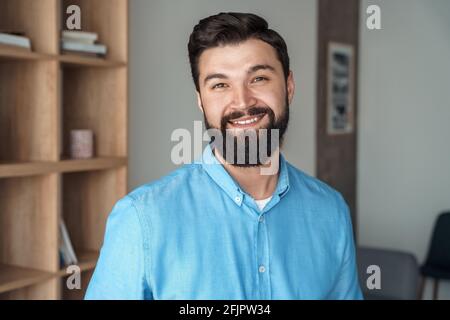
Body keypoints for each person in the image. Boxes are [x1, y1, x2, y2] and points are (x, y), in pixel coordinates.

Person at [85, 12, 363, 300]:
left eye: (259, 78)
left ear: (289, 86)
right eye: (220, 84)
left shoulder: (331, 212)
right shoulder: (141, 219)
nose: (242, 101)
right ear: (201, 101)